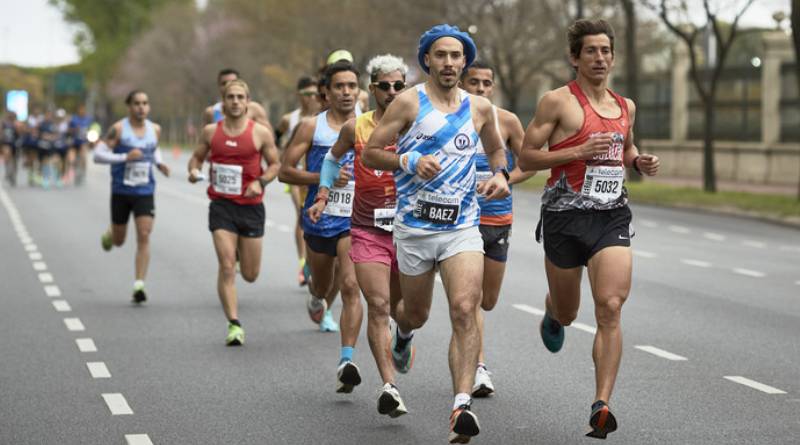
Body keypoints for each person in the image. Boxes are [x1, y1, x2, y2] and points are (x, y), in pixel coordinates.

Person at [362, 25, 510, 444]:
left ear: (465, 61)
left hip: (462, 226)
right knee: (416, 313)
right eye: (441, 55)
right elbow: (373, 151)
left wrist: (499, 174)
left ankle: (461, 405)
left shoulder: (479, 108)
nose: (449, 63)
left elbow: (497, 150)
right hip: (415, 229)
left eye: (456, 56)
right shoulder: (409, 102)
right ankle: (404, 334)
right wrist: (409, 160)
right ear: (427, 59)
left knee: (465, 309)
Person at [518, 19, 660, 439]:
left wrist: (637, 162)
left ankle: (601, 404)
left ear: (613, 57)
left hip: (611, 216)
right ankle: (552, 311)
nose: (600, 58)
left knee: (611, 307)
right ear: (574, 57)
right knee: (569, 312)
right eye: (591, 51)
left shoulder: (625, 106)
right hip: (564, 218)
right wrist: (577, 149)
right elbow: (527, 155)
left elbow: (626, 146)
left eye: (606, 51)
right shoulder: (556, 103)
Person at [308, 54, 409, 414]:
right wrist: (322, 193)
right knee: (378, 305)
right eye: (385, 86)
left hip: (411, 231)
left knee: (405, 310)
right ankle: (389, 387)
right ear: (373, 89)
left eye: (399, 85)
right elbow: (331, 160)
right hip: (367, 228)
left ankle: (406, 334)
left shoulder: (419, 126)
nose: (392, 91)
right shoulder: (357, 128)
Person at [279, 60, 364, 388]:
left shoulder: (369, 125)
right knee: (322, 285)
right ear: (325, 93)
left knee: (350, 286)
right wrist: (322, 178)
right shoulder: (311, 127)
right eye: (339, 86)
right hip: (319, 218)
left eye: (352, 86)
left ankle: (346, 360)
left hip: (354, 220)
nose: (346, 92)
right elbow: (285, 172)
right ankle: (316, 297)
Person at [458, 60, 534, 398]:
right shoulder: (450, 120)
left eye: (487, 83)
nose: (480, 89)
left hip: (497, 219)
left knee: (487, 300)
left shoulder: (507, 121)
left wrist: (504, 178)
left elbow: (530, 163)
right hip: (461, 222)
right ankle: (478, 368)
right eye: (474, 82)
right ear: (463, 83)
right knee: (470, 299)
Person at [188, 79, 281, 346]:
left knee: (250, 275)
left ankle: (240, 253)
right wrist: (194, 171)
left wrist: (260, 182)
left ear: (248, 101)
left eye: (241, 97)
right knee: (227, 266)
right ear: (223, 100)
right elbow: (196, 157)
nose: (236, 102)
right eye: (231, 97)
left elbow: (275, 164)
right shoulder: (210, 131)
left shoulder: (260, 132)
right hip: (221, 206)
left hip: (251, 208)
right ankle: (234, 323)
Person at [93, 90, 170, 303]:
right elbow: (97, 156)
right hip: (121, 191)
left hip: (145, 190)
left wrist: (159, 163)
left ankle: (139, 284)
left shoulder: (155, 129)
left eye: (145, 103)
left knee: (144, 234)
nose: (141, 107)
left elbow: (153, 150)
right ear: (129, 107)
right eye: (137, 103)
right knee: (119, 240)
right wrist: (125, 156)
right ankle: (111, 233)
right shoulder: (118, 129)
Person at [276, 76, 321, 286]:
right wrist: (281, 155)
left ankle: (313, 261)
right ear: (299, 95)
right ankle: (303, 262)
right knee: (301, 214)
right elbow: (277, 137)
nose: (311, 98)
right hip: (297, 175)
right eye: (306, 94)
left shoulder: (321, 117)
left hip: (318, 174)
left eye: (314, 93)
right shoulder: (290, 119)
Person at [203, 68, 273, 130]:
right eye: (224, 83)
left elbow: (269, 138)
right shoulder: (211, 112)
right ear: (219, 86)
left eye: (233, 82)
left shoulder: (255, 109)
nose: (228, 85)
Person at [67, 104, 93, 185]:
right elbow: (69, 130)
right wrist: (74, 129)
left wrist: (91, 139)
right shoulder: (74, 119)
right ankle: (74, 169)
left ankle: (83, 172)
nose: (82, 111)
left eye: (83, 109)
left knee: (83, 156)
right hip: (74, 141)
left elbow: (91, 130)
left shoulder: (88, 119)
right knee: (72, 158)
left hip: (83, 141)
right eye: (80, 109)